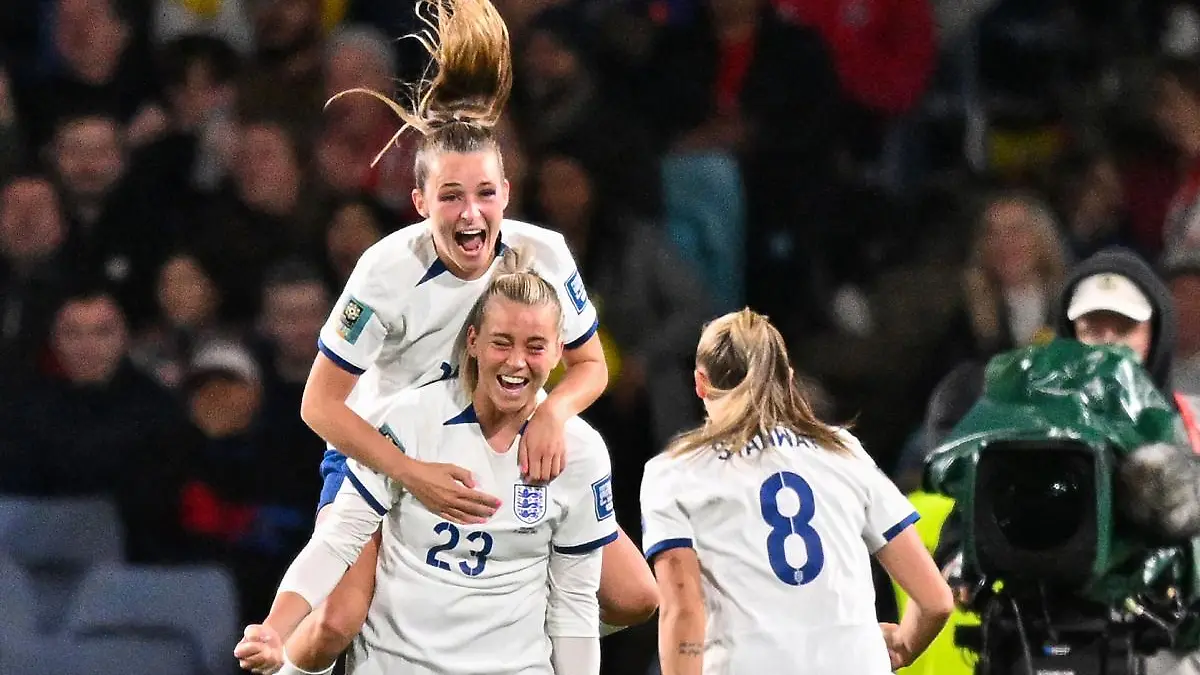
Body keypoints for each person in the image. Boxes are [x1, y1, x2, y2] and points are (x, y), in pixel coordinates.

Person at [235, 0, 656, 671]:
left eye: (485, 194)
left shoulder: (543, 254)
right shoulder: (385, 270)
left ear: (506, 193)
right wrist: (411, 473)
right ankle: (286, 664)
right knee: (340, 619)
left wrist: (553, 411)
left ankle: (506, 629)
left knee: (636, 594)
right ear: (421, 202)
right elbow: (319, 404)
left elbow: (590, 366)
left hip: (501, 448)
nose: (472, 211)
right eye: (453, 195)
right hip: (388, 452)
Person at [242, 259, 616, 675]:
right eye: (501, 342)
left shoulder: (581, 453)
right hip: (397, 666)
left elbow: (574, 600)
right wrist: (275, 627)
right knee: (336, 618)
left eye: (534, 346)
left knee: (637, 595)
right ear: (472, 342)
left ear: (559, 351)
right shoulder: (410, 419)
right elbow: (338, 539)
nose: (516, 362)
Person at [641, 309, 954, 675]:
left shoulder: (676, 472)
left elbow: (683, 610)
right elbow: (935, 600)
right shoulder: (843, 451)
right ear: (789, 380)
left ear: (700, 382)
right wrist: (901, 646)